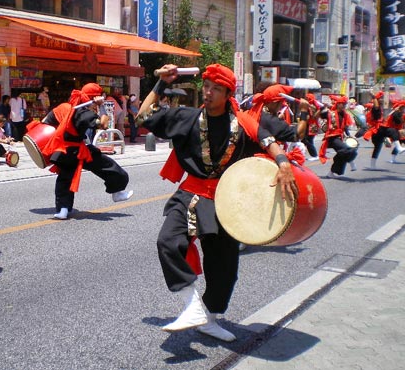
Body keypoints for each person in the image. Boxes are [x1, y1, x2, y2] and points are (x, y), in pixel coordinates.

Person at [135, 64, 305, 341]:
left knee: (223, 267)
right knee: (168, 241)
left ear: (228, 93)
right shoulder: (187, 117)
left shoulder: (243, 123)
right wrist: (161, 84)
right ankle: (191, 305)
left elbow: (269, 142)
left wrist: (284, 163)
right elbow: (143, 116)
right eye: (206, 86)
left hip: (227, 200)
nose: (209, 92)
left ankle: (209, 318)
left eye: (216, 88)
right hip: (191, 192)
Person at [39, 82, 133, 220]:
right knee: (107, 166)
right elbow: (104, 124)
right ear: (93, 98)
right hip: (78, 150)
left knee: (65, 179)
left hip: (64, 151)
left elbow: (45, 121)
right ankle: (117, 191)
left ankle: (63, 209)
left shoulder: (64, 107)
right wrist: (102, 107)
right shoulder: (85, 113)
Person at [318, 94, 358, 177]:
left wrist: (349, 136)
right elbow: (320, 115)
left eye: (345, 104)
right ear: (338, 104)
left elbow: (345, 128)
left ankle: (331, 173)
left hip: (339, 137)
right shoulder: (330, 113)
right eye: (342, 104)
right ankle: (351, 162)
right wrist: (322, 107)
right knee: (346, 149)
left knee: (342, 154)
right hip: (332, 137)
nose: (344, 106)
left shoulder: (345, 115)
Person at [301, 93, 322, 161]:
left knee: (308, 140)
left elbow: (313, 115)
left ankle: (314, 155)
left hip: (312, 125)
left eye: (307, 98)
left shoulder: (313, 105)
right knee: (305, 140)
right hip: (308, 125)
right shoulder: (310, 105)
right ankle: (302, 154)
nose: (306, 99)